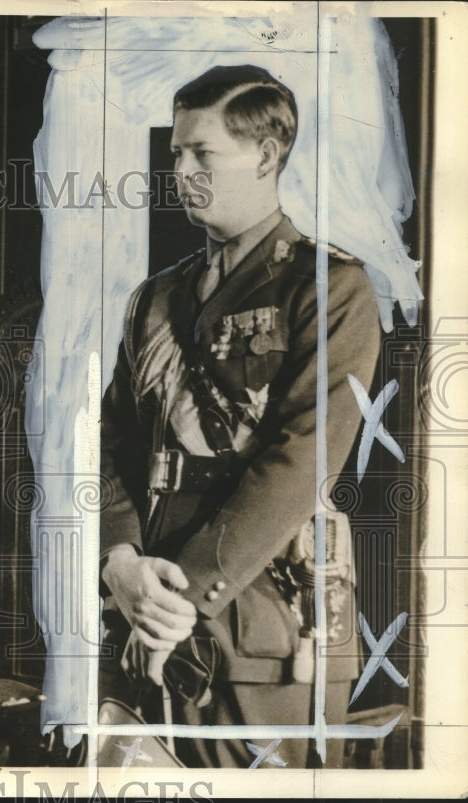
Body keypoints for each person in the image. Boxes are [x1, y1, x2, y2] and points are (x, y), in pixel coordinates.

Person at [99, 65, 380, 768]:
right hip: (145, 609)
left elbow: (303, 456)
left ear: (265, 154)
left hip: (265, 629)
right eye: (174, 151)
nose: (181, 170)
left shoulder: (328, 287)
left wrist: (181, 596)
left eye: (203, 154)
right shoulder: (155, 298)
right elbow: (109, 439)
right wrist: (120, 560)